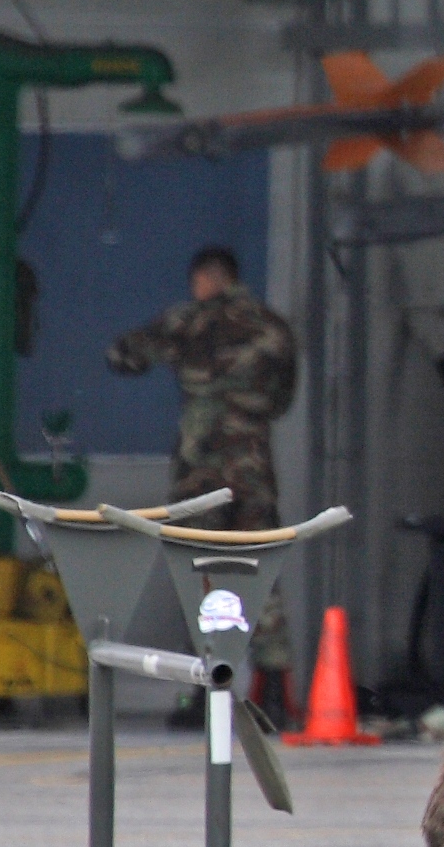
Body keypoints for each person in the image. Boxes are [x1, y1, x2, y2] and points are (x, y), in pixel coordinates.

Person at [107, 244, 301, 701]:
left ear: (204, 279)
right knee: (258, 567)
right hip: (253, 465)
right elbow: (283, 398)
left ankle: (208, 686)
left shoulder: (186, 321)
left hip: (201, 470)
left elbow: (122, 355)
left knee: (202, 573)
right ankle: (274, 685)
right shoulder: (273, 328)